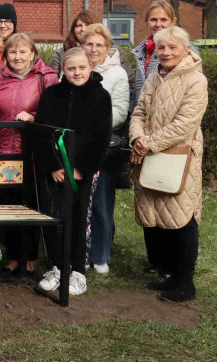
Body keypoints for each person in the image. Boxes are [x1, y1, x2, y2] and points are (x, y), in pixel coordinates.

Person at [129, 26, 207, 303]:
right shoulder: (153, 77)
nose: (166, 52)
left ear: (186, 50)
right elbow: (138, 111)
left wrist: (148, 142)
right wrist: (137, 136)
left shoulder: (196, 81)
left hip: (181, 156)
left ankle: (186, 282)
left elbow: (185, 125)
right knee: (159, 213)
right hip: (151, 154)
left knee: (183, 217)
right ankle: (170, 273)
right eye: (162, 48)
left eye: (173, 47)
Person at [33, 47, 112, 297]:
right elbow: (42, 133)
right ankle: (56, 266)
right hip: (55, 172)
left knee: (80, 220)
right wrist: (53, 166)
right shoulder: (51, 95)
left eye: (81, 67)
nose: (76, 72)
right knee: (53, 217)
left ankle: (78, 270)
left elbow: (101, 137)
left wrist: (82, 169)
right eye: (71, 68)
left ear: (90, 67)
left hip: (81, 174)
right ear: (62, 70)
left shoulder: (101, 97)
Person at [0, 32, 57, 281]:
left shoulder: (48, 78)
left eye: (23, 51)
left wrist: (33, 118)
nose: (17, 56)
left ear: (33, 54)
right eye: (13, 52)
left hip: (33, 153)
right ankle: (13, 258)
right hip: (3, 152)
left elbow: (54, 115)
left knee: (32, 207)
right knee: (9, 207)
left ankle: (31, 258)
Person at [80, 23, 130, 275]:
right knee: (79, 202)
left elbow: (121, 111)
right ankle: (79, 251)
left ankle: (100, 255)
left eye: (99, 45)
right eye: (89, 44)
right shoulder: (75, 67)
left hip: (102, 146)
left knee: (101, 203)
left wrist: (91, 120)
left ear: (108, 48)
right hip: (76, 144)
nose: (93, 49)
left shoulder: (117, 74)